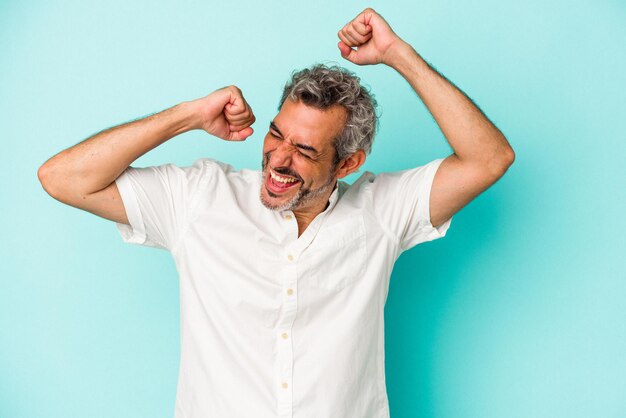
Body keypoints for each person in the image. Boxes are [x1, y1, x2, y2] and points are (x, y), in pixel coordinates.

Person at [38, 7, 514, 418]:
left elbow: (489, 159)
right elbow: (62, 178)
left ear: (347, 163)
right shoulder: (200, 197)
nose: (278, 159)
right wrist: (188, 116)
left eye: (304, 150)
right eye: (276, 134)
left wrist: (397, 55)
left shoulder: (383, 211)